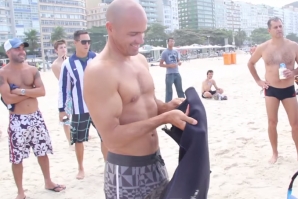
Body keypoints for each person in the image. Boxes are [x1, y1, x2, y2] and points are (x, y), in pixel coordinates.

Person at [83, 0, 198, 198]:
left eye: (142, 32)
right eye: (133, 34)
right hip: (126, 171)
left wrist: (166, 107)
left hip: (156, 164)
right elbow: (112, 138)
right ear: (110, 28)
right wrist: (164, 118)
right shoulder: (100, 72)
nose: (141, 40)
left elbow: (147, 105)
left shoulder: (140, 60)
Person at [0, 38, 66, 199]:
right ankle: (20, 192)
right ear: (8, 52)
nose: (21, 51)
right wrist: (30, 91)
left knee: (42, 152)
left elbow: (42, 91)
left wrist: (20, 91)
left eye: (22, 48)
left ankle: (48, 182)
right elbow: (7, 99)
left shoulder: (32, 70)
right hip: (18, 120)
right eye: (17, 49)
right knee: (17, 157)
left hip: (36, 117)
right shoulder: (3, 73)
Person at [247, 17, 298, 164]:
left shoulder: (293, 46)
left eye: (280, 26)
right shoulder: (263, 48)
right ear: (269, 30)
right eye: (275, 27)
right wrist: (258, 81)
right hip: (271, 90)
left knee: (295, 124)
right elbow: (250, 63)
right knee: (272, 122)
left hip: (288, 89)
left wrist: (293, 72)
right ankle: (275, 153)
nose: (279, 29)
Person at [58, 30, 106, 179]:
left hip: (99, 107)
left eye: (89, 41)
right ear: (76, 43)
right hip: (80, 108)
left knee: (105, 137)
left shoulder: (97, 58)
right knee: (78, 139)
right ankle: (80, 168)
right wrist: (62, 109)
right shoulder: (68, 64)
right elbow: (63, 88)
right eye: (84, 42)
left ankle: (107, 164)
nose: (87, 44)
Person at [51, 39, 72, 146]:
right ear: (56, 50)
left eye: (64, 47)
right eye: (61, 48)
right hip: (65, 93)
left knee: (80, 114)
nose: (63, 49)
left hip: (75, 91)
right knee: (65, 117)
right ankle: (70, 140)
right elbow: (62, 81)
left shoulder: (70, 60)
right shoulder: (55, 65)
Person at [160, 37, 185, 102]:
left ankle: (184, 103)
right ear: (168, 43)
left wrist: (179, 63)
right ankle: (168, 105)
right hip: (169, 74)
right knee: (169, 91)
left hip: (177, 73)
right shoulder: (164, 52)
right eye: (171, 41)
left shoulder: (176, 51)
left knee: (180, 89)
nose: (172, 42)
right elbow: (161, 64)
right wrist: (169, 65)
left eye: (173, 41)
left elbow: (178, 60)